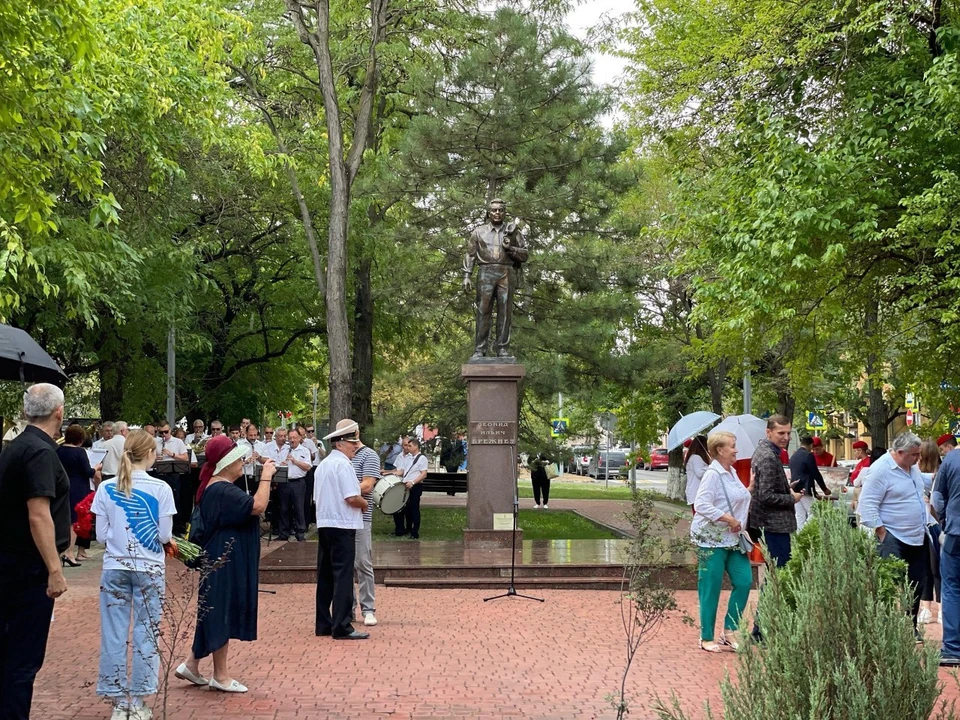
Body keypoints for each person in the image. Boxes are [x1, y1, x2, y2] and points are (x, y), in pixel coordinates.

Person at [176, 435, 275, 693]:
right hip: (224, 559)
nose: (242, 462)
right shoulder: (221, 489)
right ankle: (220, 676)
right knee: (221, 611)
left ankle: (192, 664)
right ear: (226, 462)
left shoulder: (214, 486)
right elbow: (258, 505)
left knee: (215, 609)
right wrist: (266, 476)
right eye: (238, 459)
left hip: (222, 557)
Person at [93, 430, 176, 720]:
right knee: (146, 633)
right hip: (150, 567)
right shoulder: (161, 489)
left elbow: (101, 536)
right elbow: (165, 534)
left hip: (115, 566)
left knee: (114, 633)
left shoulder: (105, 488)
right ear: (151, 453)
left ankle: (118, 701)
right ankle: (140, 700)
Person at [0, 383, 70, 720]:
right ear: (59, 412)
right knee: (23, 661)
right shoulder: (40, 452)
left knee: (10, 655)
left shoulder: (15, 447)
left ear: (28, 411)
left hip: (10, 562)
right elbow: (38, 513)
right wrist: (55, 569)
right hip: (29, 569)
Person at [857, 431, 929, 626]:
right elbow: (867, 504)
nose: (918, 458)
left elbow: (921, 486)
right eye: (914, 454)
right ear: (899, 452)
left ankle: (910, 625)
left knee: (916, 584)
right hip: (893, 536)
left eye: (918, 454)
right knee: (888, 584)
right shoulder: (880, 469)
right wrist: (881, 532)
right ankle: (883, 626)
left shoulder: (911, 467)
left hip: (917, 535)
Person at [691, 431, 752, 652]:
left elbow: (733, 498)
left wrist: (749, 490)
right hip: (711, 538)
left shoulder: (731, 471)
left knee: (744, 581)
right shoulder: (712, 474)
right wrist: (728, 519)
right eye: (733, 446)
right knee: (710, 588)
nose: (736, 450)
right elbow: (702, 505)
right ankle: (706, 637)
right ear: (720, 450)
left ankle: (730, 630)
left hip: (734, 538)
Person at [315, 420, 368, 640]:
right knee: (343, 576)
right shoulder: (343, 465)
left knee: (325, 575)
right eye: (351, 442)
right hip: (343, 525)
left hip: (325, 524)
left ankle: (323, 623)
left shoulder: (324, 465)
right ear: (339, 444)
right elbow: (352, 497)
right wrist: (365, 503)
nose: (355, 446)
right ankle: (342, 625)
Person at [462, 197, 530, 359]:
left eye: (500, 210)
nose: (497, 213)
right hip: (485, 272)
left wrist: (511, 248)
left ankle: (502, 348)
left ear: (505, 212)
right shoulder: (479, 232)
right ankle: (480, 349)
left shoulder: (514, 232)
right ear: (489, 212)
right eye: (494, 210)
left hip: (506, 272)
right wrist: (467, 275)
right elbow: (470, 254)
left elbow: (525, 254)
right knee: (483, 310)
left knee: (505, 312)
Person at [748, 415, 802, 567]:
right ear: (768, 432)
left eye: (788, 433)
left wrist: (787, 487)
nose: (786, 437)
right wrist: (793, 498)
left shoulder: (767, 451)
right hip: (773, 525)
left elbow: (766, 486)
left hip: (770, 523)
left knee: (776, 571)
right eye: (781, 433)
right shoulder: (768, 456)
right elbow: (766, 496)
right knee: (780, 570)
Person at [56, 423, 102, 564]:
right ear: (80, 438)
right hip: (78, 487)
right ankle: (69, 553)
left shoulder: (58, 450)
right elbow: (87, 472)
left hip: (62, 486)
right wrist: (96, 468)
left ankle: (61, 551)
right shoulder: (80, 452)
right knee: (75, 521)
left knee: (64, 520)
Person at [933, 432, 960, 665]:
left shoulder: (952, 460)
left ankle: (952, 648)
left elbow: (937, 498)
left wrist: (944, 518)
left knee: (951, 587)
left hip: (956, 533)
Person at [351, 437, 381, 628]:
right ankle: (348, 608)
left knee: (363, 562)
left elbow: (368, 485)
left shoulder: (369, 455)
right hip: (341, 517)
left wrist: (343, 488)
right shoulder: (341, 456)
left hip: (362, 516)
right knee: (345, 565)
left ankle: (368, 609)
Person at [918, 439, 942, 625]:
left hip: (922, 523)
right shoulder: (941, 472)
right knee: (939, 568)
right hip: (937, 524)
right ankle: (941, 609)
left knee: (926, 567)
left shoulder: (914, 473)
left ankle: (926, 609)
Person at [386, 437, 428, 538]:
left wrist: (413, 482)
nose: (408, 448)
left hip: (415, 486)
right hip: (406, 485)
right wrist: (390, 474)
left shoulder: (422, 458)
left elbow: (424, 474)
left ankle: (415, 532)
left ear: (416, 446)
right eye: (407, 446)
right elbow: (402, 471)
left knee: (414, 509)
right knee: (406, 508)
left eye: (410, 446)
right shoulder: (409, 458)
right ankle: (406, 529)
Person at [789, 437, 831, 530]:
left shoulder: (794, 456)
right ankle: (804, 531)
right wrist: (824, 489)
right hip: (806, 489)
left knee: (800, 515)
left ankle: (800, 536)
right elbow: (815, 473)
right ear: (811, 445)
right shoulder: (808, 455)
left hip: (795, 490)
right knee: (814, 513)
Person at [278, 428, 311, 542]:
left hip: (298, 482)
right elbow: (277, 465)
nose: (292, 440)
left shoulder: (304, 451)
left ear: (299, 438)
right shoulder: (284, 450)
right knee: (284, 508)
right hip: (285, 482)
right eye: (290, 438)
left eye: (294, 438)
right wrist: (281, 465)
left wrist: (294, 461)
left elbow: (307, 467)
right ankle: (283, 533)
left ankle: (300, 533)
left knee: (298, 508)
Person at [684, 435, 710, 513]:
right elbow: (700, 473)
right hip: (697, 492)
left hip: (696, 492)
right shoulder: (696, 458)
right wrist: (710, 467)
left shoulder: (694, 457)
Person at [238, 423, 265, 494]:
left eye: (255, 435)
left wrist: (259, 457)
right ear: (246, 433)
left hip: (257, 477)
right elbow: (235, 462)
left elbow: (266, 461)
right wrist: (247, 461)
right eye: (251, 435)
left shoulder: (262, 445)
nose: (253, 437)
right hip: (243, 476)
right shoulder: (239, 444)